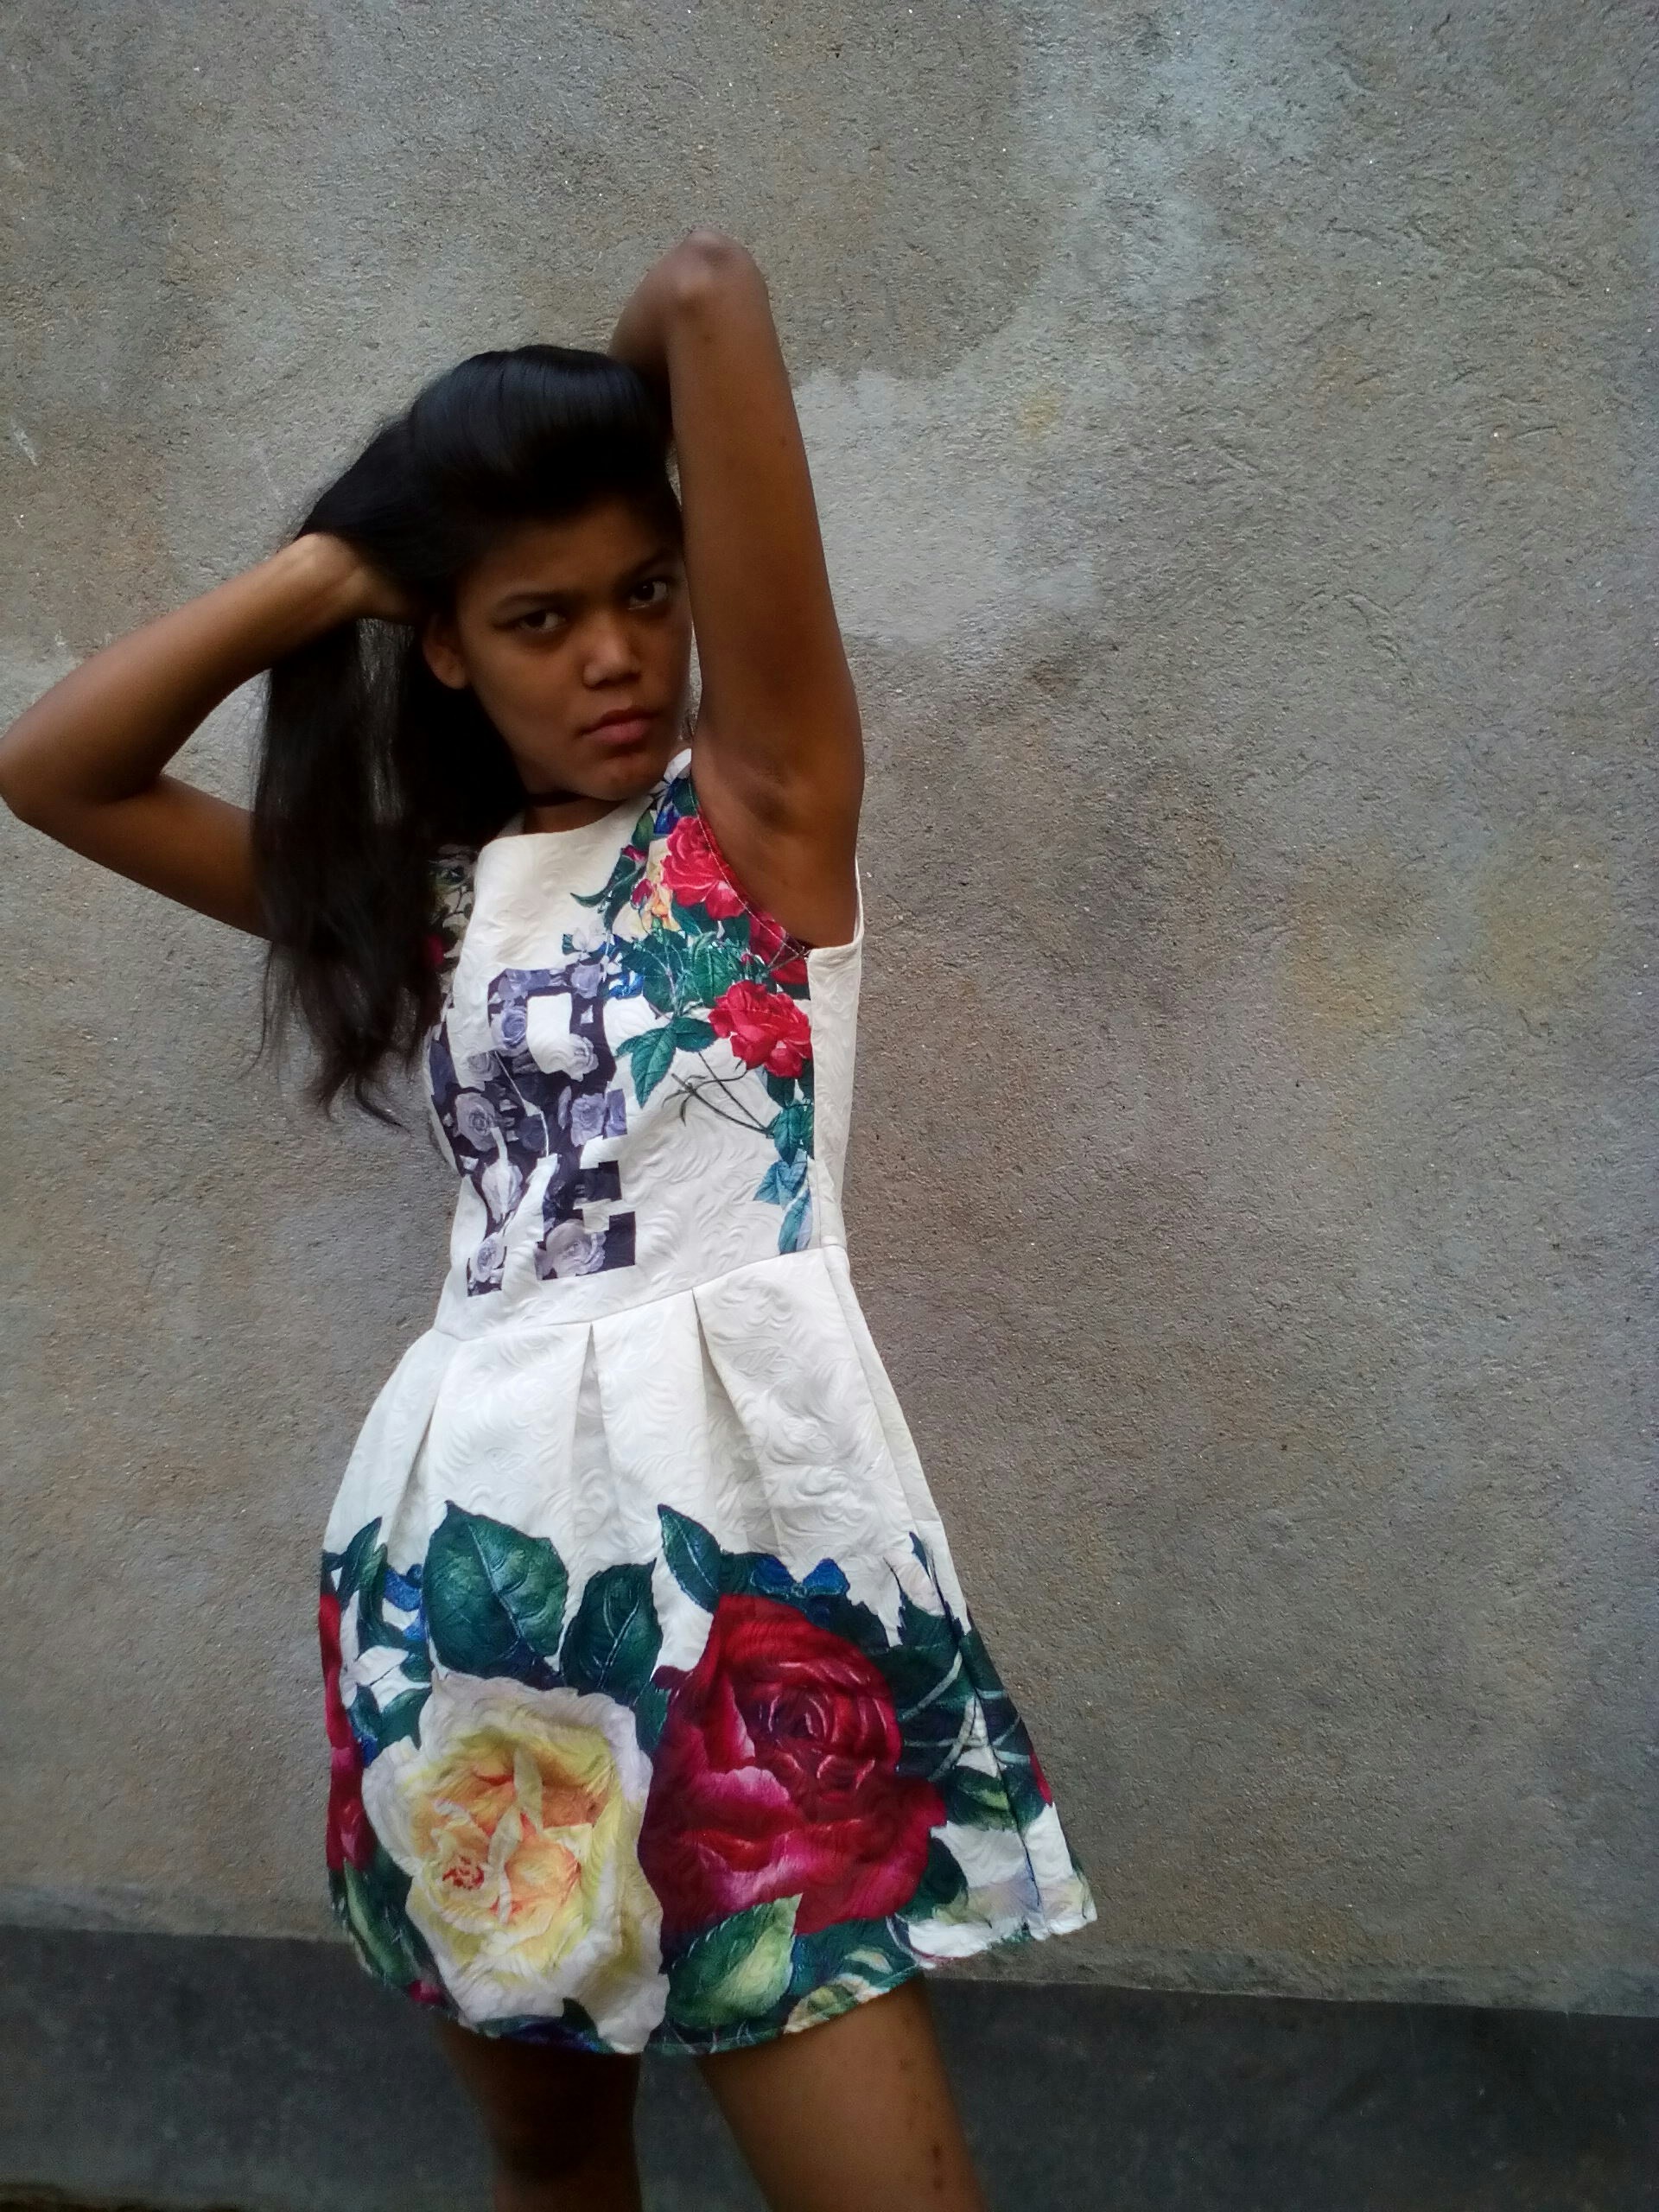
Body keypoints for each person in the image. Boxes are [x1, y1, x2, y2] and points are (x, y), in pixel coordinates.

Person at [0, 227, 1095, 2212]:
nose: (612, 652)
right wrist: (341, 564)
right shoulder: (434, 903)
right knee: (551, 2155)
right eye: (537, 613)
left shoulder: (762, 821)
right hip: (465, 1591)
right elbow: (54, 768)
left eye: (644, 592)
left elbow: (707, 295)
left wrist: (543, 449)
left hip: (755, 1622)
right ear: (445, 642)